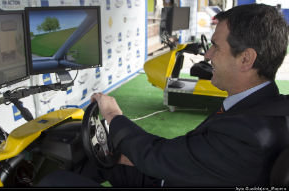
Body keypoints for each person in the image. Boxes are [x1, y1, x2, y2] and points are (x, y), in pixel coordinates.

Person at [38, 3, 289, 187]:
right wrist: (131, 153)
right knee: (101, 161)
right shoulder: (264, 108)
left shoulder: (247, 134)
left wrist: (114, 115)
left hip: (173, 178)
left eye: (216, 46)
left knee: (54, 182)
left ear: (246, 58)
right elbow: (190, 154)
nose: (208, 55)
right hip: (185, 176)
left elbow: (157, 156)